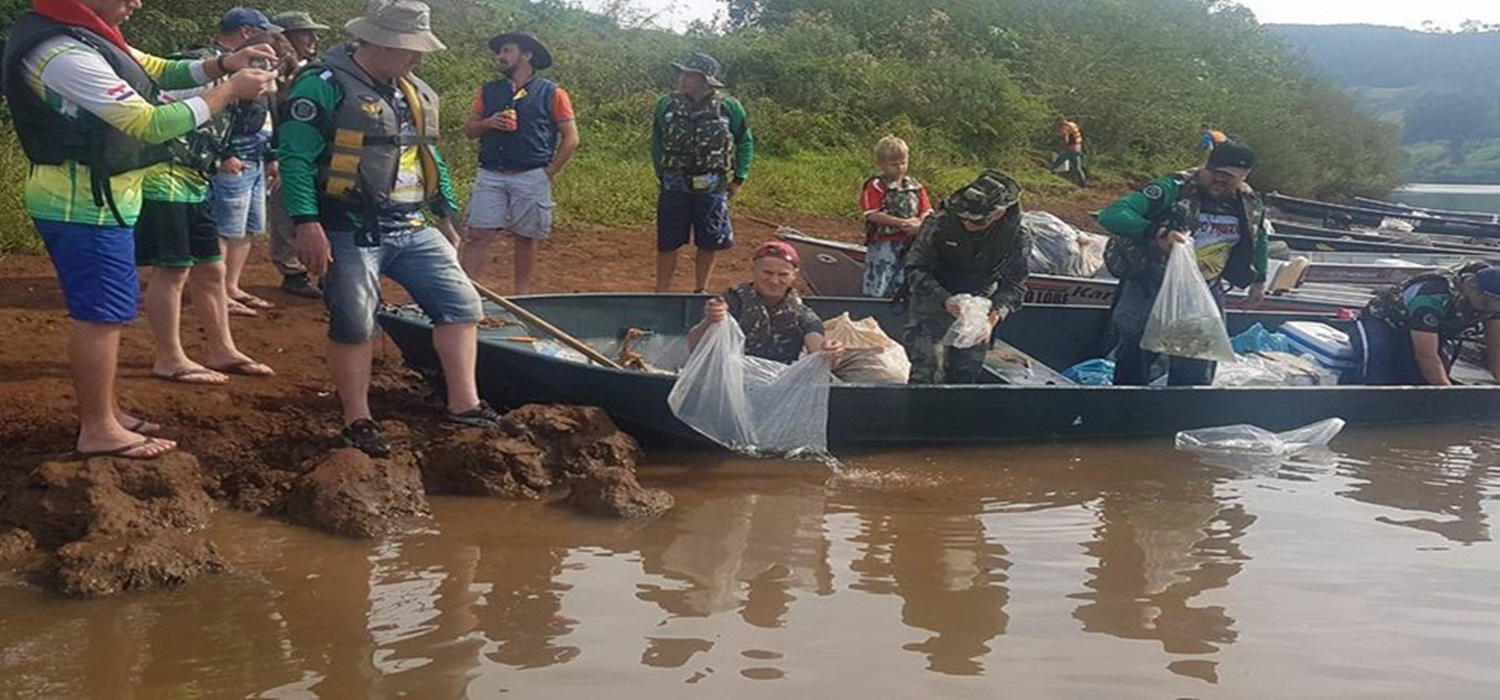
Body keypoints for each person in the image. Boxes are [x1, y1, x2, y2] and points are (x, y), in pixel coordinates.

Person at [1, 0, 278, 458]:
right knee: (100, 316)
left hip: (102, 196)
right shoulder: (62, 52)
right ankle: (99, 429)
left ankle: (107, 412)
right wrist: (227, 89)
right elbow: (146, 122)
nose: (137, 3)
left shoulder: (84, 33)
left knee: (108, 312)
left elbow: (153, 69)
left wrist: (222, 63)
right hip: (82, 204)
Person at [281, 0, 502, 457]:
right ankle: (357, 419)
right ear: (379, 43)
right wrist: (307, 223)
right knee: (355, 322)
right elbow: (296, 160)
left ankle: (465, 404)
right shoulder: (321, 86)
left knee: (461, 305)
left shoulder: (413, 90)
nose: (417, 59)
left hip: (413, 223)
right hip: (349, 225)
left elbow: (428, 155)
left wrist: (446, 215)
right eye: (409, 50)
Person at [1098, 140, 1269, 386]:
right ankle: (1127, 408)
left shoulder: (1248, 202)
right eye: (1214, 174)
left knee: (1198, 359)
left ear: (1244, 176)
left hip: (1204, 290)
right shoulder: (1172, 187)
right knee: (1135, 353)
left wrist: (1259, 280)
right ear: (1206, 166)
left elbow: (1259, 237)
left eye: (1227, 178)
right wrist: (1157, 232)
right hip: (1152, 285)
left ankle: (1183, 410)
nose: (1218, 182)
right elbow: (1112, 214)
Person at [458, 31, 579, 294]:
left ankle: (521, 298)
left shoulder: (553, 93)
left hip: (532, 174)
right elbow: (469, 130)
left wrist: (549, 172)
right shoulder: (489, 90)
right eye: (500, 52)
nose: (500, 57)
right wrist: (489, 123)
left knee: (526, 238)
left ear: (527, 55)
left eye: (507, 51)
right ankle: (465, 296)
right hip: (491, 173)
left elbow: (571, 138)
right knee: (478, 235)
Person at [192, 7, 284, 316]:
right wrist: (223, 153)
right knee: (224, 227)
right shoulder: (209, 63)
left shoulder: (254, 63)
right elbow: (213, 114)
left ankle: (231, 286)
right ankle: (216, 293)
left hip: (256, 154)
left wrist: (271, 155)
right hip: (234, 154)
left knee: (248, 227)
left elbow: (267, 108)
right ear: (246, 31)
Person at [902, 170, 1030, 384]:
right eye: (963, 219)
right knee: (925, 374)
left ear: (999, 213)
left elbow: (1015, 286)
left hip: (979, 307)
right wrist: (945, 299)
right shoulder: (939, 224)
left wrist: (992, 318)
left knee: (964, 376)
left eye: (977, 222)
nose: (967, 225)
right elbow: (915, 268)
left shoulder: (1017, 237)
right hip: (933, 299)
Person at [653, 52, 755, 294]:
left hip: (712, 183)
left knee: (709, 240)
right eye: (683, 73)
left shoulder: (729, 107)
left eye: (690, 75)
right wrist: (662, 174)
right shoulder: (666, 105)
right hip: (674, 182)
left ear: (705, 80)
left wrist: (739, 178)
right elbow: (657, 141)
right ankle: (660, 292)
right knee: (667, 241)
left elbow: (745, 141)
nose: (683, 79)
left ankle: (701, 290)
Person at [688, 241, 843, 363]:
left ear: (794, 275)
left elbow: (816, 343)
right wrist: (710, 321)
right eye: (767, 273)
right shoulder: (732, 302)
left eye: (783, 274)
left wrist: (828, 352)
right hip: (733, 378)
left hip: (781, 380)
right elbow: (695, 346)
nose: (774, 281)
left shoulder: (801, 312)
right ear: (754, 270)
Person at [266, 10, 331, 300]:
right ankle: (293, 271)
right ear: (285, 37)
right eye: (304, 33)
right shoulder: (270, 70)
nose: (312, 38)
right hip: (282, 150)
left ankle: (328, 273)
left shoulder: (319, 70)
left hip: (316, 153)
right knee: (284, 212)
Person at [1353, 262, 1500, 385]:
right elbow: (1426, 355)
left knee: (1420, 376)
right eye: (1492, 303)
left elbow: (1495, 344)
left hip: (1432, 329)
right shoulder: (1431, 298)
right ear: (1473, 290)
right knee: (1379, 355)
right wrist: (1450, 394)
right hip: (1383, 320)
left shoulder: (1491, 305)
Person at [859, 135, 932, 298]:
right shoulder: (876, 185)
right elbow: (871, 213)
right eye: (894, 164)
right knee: (879, 280)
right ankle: (873, 309)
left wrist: (920, 223)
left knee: (904, 280)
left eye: (903, 163)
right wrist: (901, 223)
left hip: (910, 242)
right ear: (881, 164)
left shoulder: (915, 185)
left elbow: (926, 209)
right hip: (883, 242)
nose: (900, 168)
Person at [1050, 117, 1087, 187]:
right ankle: (1083, 184)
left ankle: (1049, 175)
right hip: (1078, 148)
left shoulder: (1065, 127)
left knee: (1057, 163)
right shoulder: (1072, 125)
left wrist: (1062, 148)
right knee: (1077, 168)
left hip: (1070, 149)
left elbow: (1066, 140)